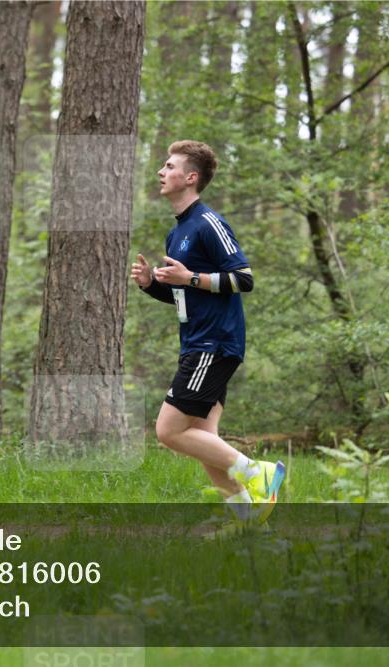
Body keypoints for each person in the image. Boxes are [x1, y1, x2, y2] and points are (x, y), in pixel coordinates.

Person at [131, 140, 284, 522]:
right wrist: (153, 284)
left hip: (214, 344)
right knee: (203, 439)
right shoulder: (177, 233)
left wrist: (191, 276)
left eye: (169, 166)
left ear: (191, 177)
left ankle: (260, 473)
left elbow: (243, 279)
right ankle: (246, 518)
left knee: (168, 431)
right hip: (197, 342)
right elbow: (186, 295)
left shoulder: (208, 223)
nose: (161, 172)